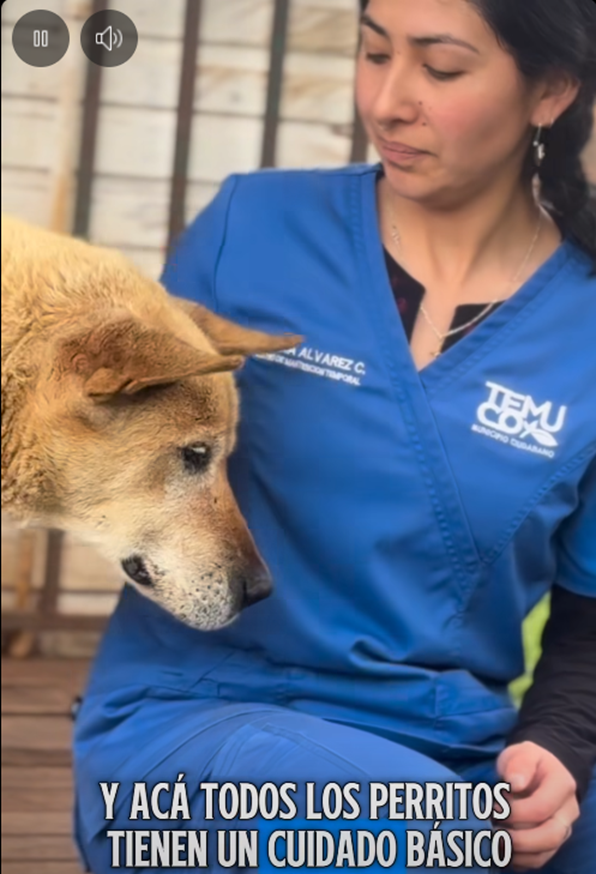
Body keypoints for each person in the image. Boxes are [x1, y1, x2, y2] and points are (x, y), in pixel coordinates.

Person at [73, 0, 596, 871]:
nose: (388, 100)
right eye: (373, 53)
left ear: (550, 91)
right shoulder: (253, 229)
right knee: (428, 839)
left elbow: (590, 618)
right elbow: (120, 447)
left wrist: (555, 749)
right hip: (203, 723)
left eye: (440, 68)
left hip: (454, 749)